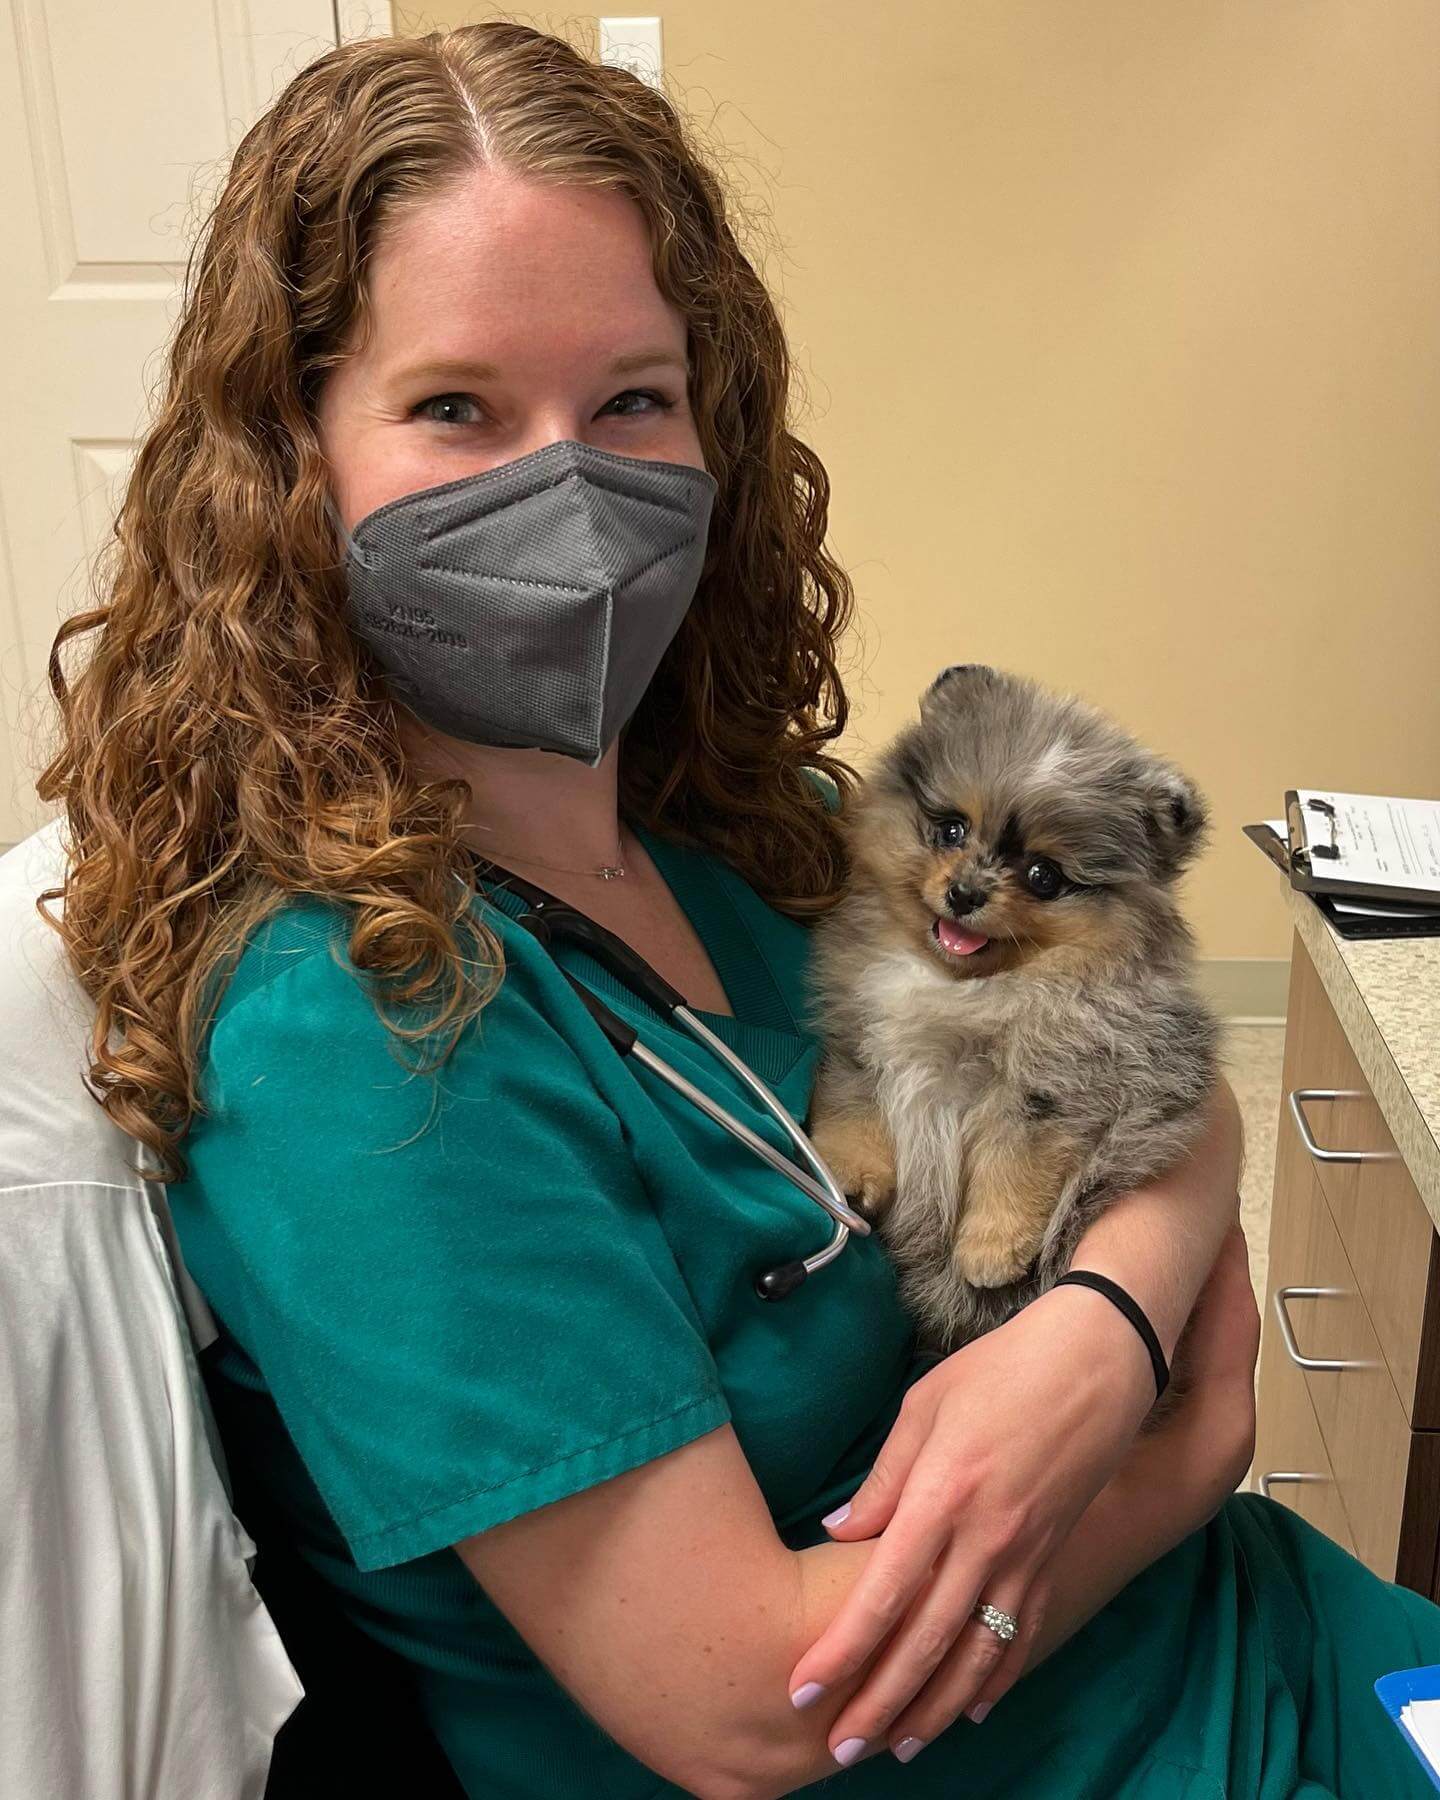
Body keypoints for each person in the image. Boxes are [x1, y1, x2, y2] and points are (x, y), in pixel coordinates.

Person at [38, 21, 1440, 1799]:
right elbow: (754, 1709)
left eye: (631, 400)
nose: (565, 491)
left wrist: (1100, 1344)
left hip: (1244, 1636)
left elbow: (1151, 1062)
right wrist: (1169, 1455)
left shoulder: (751, 832)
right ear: (291, 457)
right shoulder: (359, 1022)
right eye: (456, 407)